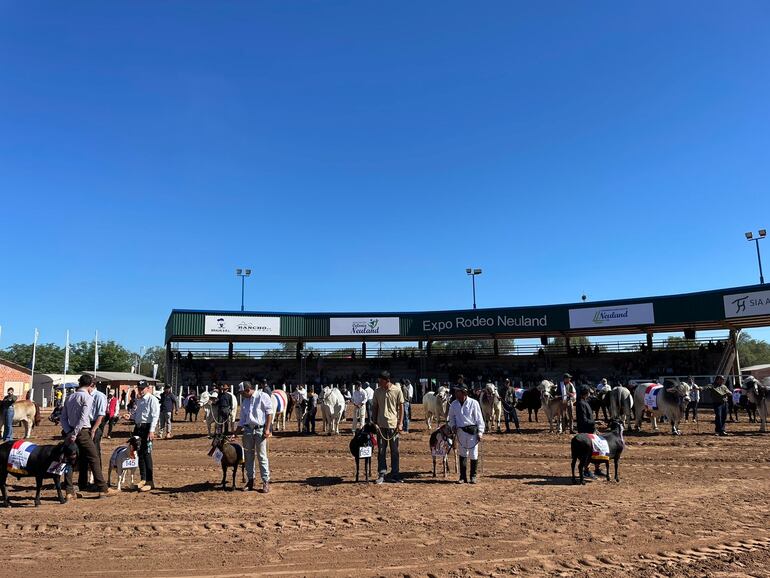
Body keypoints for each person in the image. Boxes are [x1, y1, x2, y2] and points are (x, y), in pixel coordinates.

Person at [60, 375, 116, 499]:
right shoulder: (87, 397)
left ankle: (69, 491)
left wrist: (69, 431)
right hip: (82, 432)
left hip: (70, 431)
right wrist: (75, 433)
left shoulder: (69, 397)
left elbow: (63, 418)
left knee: (70, 460)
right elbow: (84, 418)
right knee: (94, 457)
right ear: (90, 384)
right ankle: (102, 488)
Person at [235, 381, 273, 493]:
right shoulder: (245, 401)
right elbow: (242, 420)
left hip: (260, 430)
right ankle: (250, 480)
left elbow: (269, 413)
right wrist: (235, 432)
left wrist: (267, 429)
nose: (241, 395)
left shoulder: (263, 396)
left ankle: (265, 481)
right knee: (248, 457)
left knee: (262, 456)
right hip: (247, 431)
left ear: (247, 390)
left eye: (242, 393)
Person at [448, 383, 485, 484]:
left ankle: (473, 476)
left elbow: (479, 419)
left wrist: (480, 432)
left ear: (463, 392)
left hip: (473, 432)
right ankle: (462, 477)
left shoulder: (474, 403)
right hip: (460, 432)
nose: (456, 393)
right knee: (462, 453)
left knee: (473, 453)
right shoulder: (454, 404)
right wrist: (453, 426)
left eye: (458, 391)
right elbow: (451, 418)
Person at [371, 371, 404, 484]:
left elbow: (401, 407)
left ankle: (395, 474)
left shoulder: (397, 390)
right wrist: (374, 422)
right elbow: (374, 407)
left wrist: (400, 423)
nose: (379, 382)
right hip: (381, 425)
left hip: (393, 425)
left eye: (381, 380)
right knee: (381, 450)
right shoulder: (377, 391)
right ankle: (382, 473)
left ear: (387, 380)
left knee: (395, 451)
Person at [131, 380, 161, 490]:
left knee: (147, 453)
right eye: (139, 388)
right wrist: (130, 417)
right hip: (138, 428)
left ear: (148, 388)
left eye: (142, 388)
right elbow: (138, 415)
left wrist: (152, 430)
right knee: (139, 453)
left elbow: (155, 416)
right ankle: (143, 479)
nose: (140, 390)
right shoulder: (139, 400)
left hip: (147, 428)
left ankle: (150, 481)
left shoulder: (152, 399)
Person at [86, 385, 108, 489]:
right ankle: (87, 479)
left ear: (92, 385)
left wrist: (94, 429)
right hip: (87, 424)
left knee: (95, 452)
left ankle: (97, 479)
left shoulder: (99, 396)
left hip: (95, 424)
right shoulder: (86, 395)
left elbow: (101, 414)